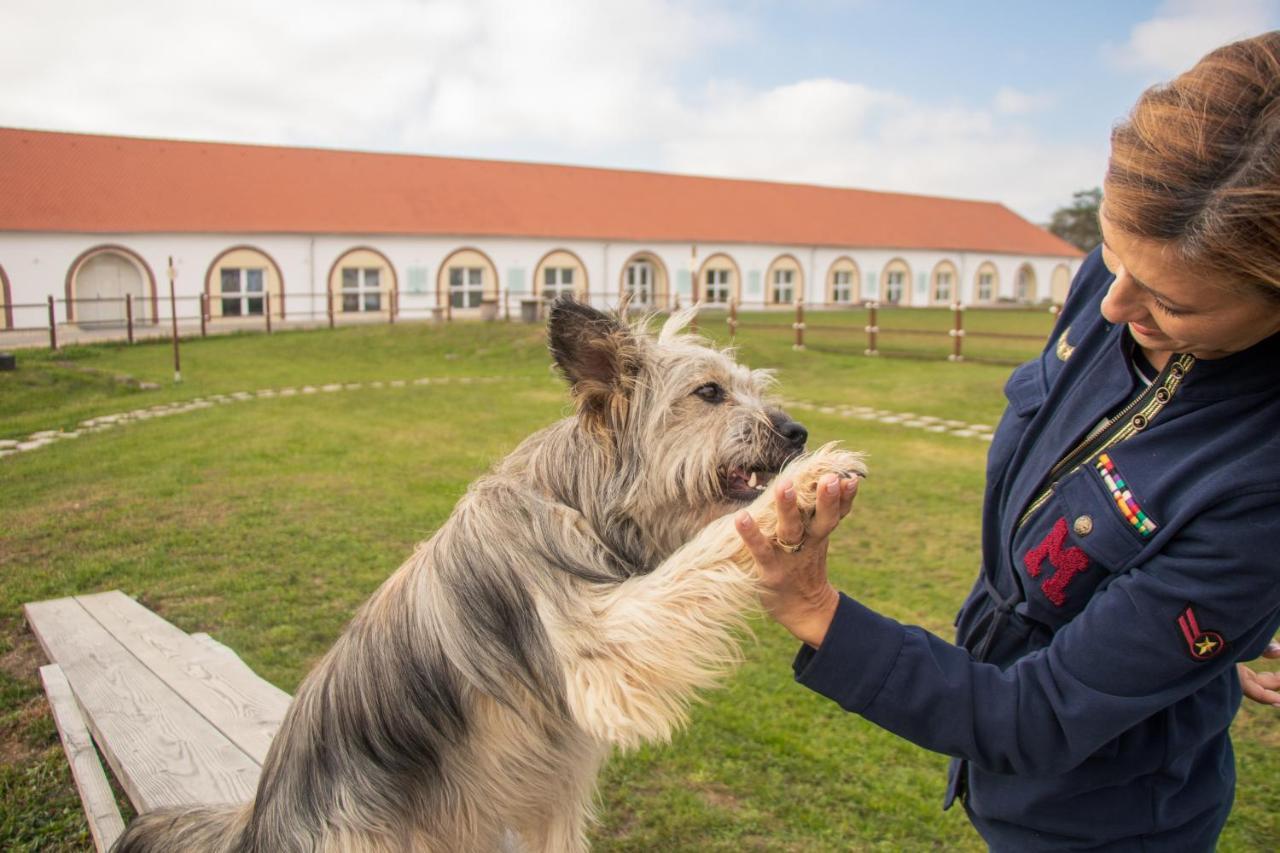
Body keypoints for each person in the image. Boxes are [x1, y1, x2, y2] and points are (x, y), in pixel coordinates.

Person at [735, 31, 1280, 852]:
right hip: (1006, 750)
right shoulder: (1128, 276)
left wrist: (815, 607)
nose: (1110, 303)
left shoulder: (1263, 481)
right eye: (1111, 250)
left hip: (1108, 819)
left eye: (1169, 301)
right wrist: (1173, 644)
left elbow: (1038, 717)